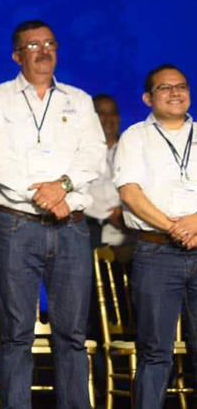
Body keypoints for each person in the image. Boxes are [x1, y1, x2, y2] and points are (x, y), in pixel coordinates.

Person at [0, 19, 105, 408]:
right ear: (17, 56)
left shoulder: (79, 100)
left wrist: (61, 186)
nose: (44, 50)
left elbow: (94, 155)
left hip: (72, 227)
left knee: (72, 334)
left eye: (50, 43)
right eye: (33, 45)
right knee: (16, 334)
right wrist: (45, 196)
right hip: (17, 225)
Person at [113, 64, 197, 407]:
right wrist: (174, 227)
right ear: (148, 98)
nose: (175, 93)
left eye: (181, 86)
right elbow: (130, 192)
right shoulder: (135, 137)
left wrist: (195, 222)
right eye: (165, 87)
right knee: (155, 351)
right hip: (156, 252)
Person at [85, 94, 130, 248]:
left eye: (113, 113)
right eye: (101, 113)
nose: (108, 118)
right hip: (88, 228)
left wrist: (124, 211)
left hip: (129, 226)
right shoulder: (78, 152)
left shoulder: (133, 150)